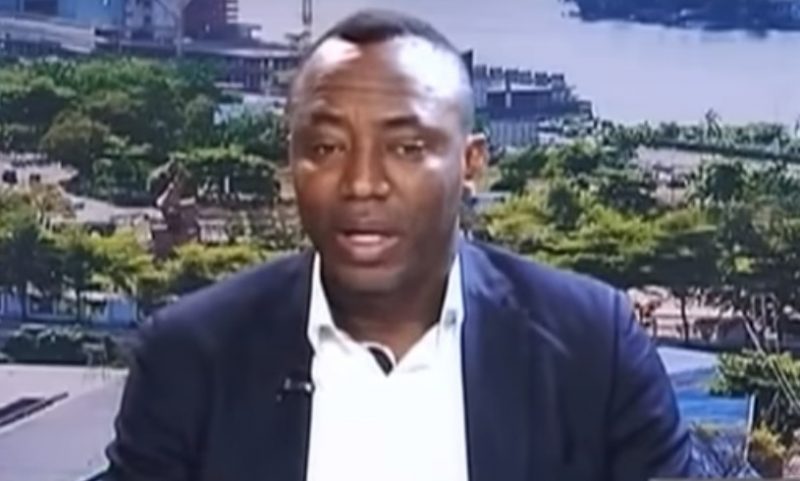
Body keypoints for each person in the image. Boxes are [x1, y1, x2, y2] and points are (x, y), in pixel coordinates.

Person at [104, 9, 702, 481]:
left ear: (471, 164)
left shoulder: (592, 349)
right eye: (326, 148)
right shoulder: (190, 358)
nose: (362, 183)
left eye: (407, 148)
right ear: (291, 161)